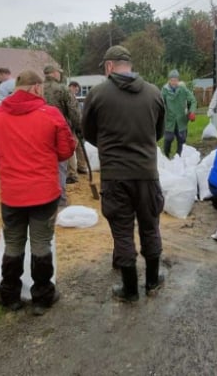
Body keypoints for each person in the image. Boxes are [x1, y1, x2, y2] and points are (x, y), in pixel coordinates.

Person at [0, 70, 76, 315]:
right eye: (42, 89)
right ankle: (42, 296)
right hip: (44, 191)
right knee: (41, 243)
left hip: (12, 192)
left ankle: (9, 294)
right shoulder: (51, 115)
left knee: (13, 243)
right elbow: (65, 151)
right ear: (35, 88)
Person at [83, 45, 167, 303]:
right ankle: (152, 282)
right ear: (128, 64)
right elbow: (159, 132)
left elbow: (87, 132)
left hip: (115, 175)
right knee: (150, 226)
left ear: (109, 66)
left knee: (122, 230)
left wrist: (111, 147)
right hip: (146, 173)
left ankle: (130, 289)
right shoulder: (154, 93)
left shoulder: (97, 94)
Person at [42, 64, 82, 195]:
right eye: (59, 72)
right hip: (62, 127)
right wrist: (78, 127)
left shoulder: (38, 89)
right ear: (54, 73)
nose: (60, 75)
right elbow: (74, 110)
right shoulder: (62, 89)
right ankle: (71, 175)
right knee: (67, 150)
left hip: (42, 128)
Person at [161, 69, 197, 158]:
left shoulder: (183, 89)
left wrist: (192, 111)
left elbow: (193, 100)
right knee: (168, 139)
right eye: (172, 80)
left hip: (181, 119)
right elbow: (160, 103)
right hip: (170, 119)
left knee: (182, 140)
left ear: (178, 80)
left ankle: (179, 158)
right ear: (169, 80)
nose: (174, 82)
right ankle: (166, 156)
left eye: (176, 80)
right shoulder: (164, 90)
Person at [68, 81, 88, 175]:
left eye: (77, 90)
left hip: (77, 126)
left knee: (80, 146)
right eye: (75, 89)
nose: (76, 91)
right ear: (71, 87)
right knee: (72, 147)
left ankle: (82, 167)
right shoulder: (68, 97)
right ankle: (72, 172)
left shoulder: (74, 99)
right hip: (71, 126)